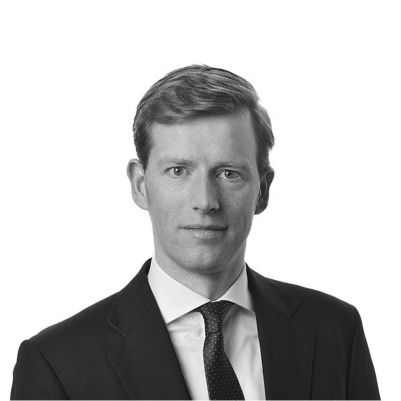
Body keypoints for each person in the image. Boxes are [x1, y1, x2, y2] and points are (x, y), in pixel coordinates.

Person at [11, 65, 381, 400]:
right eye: (178, 171)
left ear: (263, 190)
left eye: (228, 173)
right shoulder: (56, 363)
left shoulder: (336, 331)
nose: (205, 201)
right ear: (140, 185)